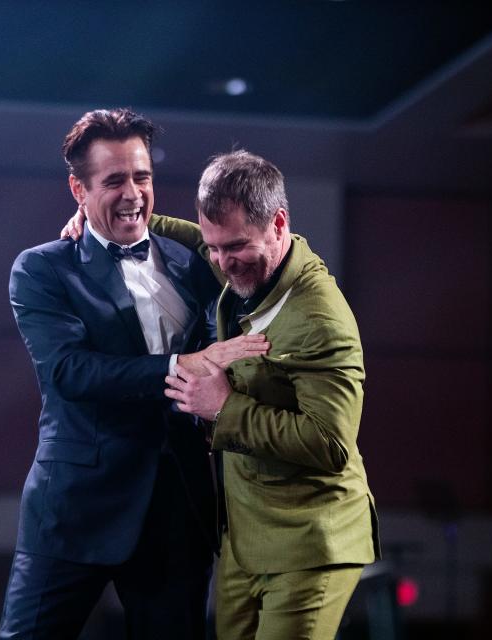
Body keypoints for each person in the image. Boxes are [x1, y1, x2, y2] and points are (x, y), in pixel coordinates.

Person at [61, 149, 380, 640]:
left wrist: (224, 409)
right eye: (213, 249)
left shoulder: (320, 318)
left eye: (234, 247)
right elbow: (184, 233)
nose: (222, 263)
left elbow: (331, 444)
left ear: (278, 224)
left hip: (309, 544)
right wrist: (103, 216)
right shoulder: (237, 262)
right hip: (243, 542)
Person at [0, 109, 270, 640]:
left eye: (142, 177)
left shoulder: (191, 259)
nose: (133, 193)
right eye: (114, 180)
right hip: (76, 507)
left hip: (176, 511)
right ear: (78, 188)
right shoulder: (42, 268)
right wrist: (178, 366)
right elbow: (68, 372)